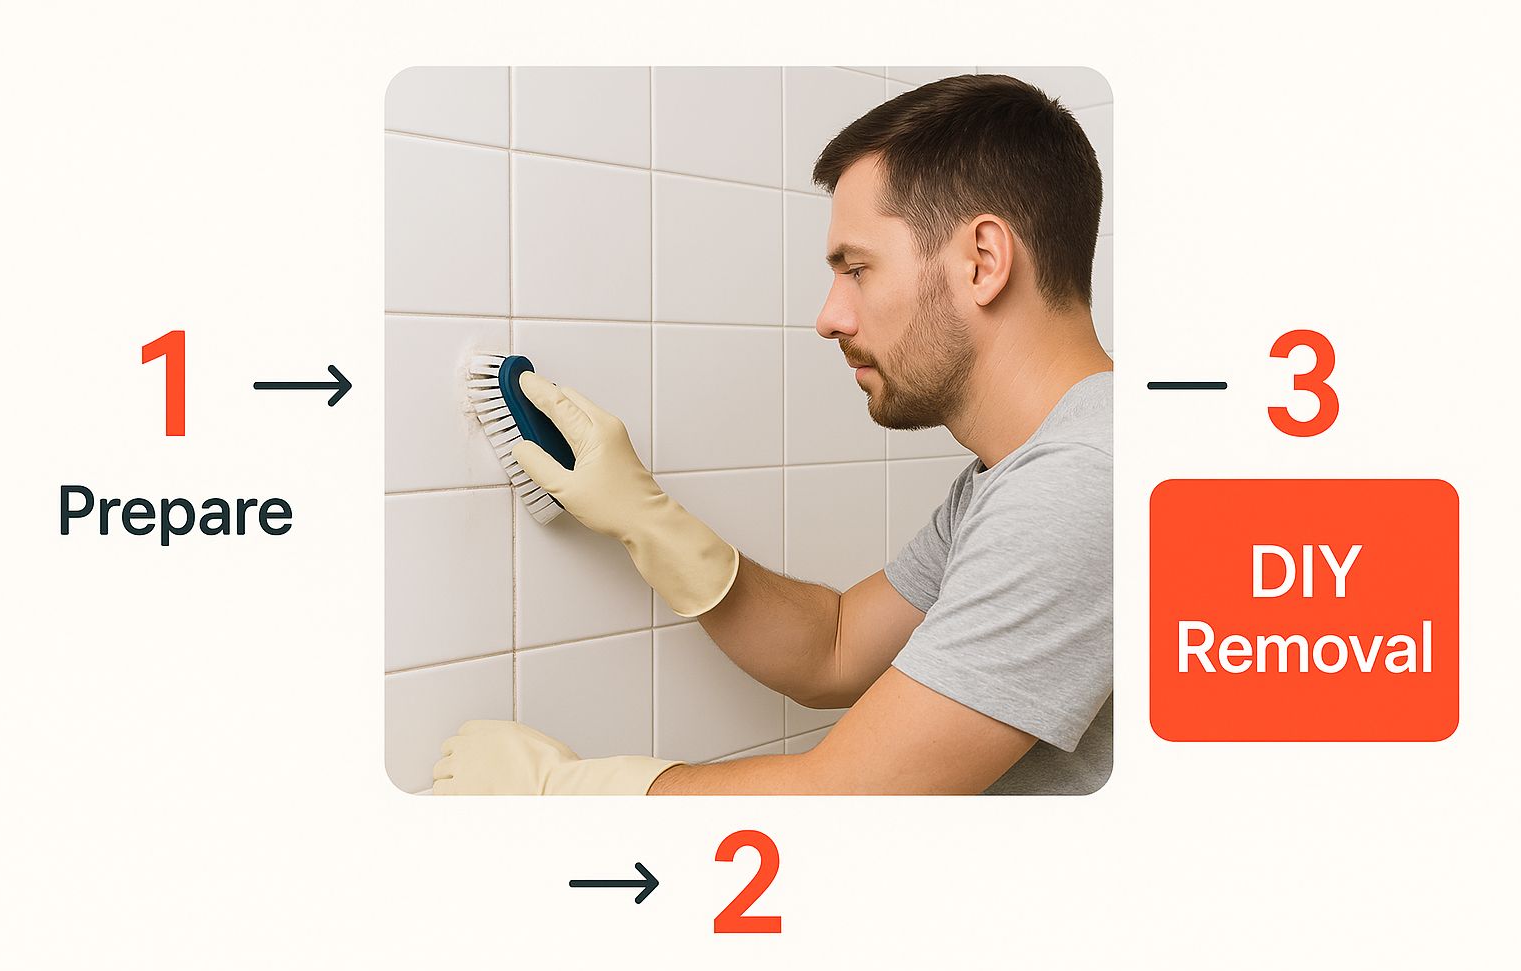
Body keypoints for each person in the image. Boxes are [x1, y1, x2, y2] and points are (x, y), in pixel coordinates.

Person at [434, 73, 1113, 796]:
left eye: (857, 269)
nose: (829, 316)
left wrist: (559, 794)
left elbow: (853, 799)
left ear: (982, 262)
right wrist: (647, 518)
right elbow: (838, 646)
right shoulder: (1019, 473)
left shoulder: (1078, 483)